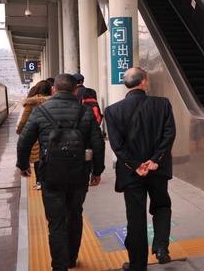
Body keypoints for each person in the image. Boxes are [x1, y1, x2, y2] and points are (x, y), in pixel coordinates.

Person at [17, 74, 105, 271]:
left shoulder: (40, 111)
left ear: (54, 89)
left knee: (56, 221)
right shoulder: (85, 112)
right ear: (75, 91)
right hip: (79, 174)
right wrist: (97, 171)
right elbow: (98, 144)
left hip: (51, 175)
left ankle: (60, 265)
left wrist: (23, 165)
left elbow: (24, 140)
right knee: (75, 215)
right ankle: (72, 259)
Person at [104, 68, 176, 270]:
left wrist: (136, 166)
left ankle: (137, 265)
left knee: (135, 217)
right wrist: (155, 160)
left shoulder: (113, 111)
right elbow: (169, 134)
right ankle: (161, 247)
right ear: (144, 81)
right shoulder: (162, 105)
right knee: (161, 206)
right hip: (157, 170)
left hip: (131, 173)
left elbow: (117, 146)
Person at [17, 80, 52, 190]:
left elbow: (24, 120)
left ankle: (40, 182)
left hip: (35, 135)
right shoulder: (53, 101)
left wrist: (19, 130)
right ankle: (48, 180)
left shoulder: (31, 102)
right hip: (51, 133)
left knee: (38, 159)